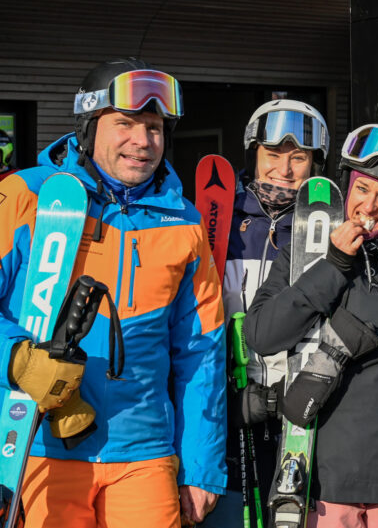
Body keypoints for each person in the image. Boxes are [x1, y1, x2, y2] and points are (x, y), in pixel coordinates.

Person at [0, 58, 226, 526]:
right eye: (125, 123)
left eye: (154, 127)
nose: (142, 142)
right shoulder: (26, 196)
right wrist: (15, 357)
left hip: (145, 453)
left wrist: (201, 465)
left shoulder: (184, 222)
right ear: (87, 127)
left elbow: (201, 351)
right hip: (39, 446)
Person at [244, 122, 378, 528]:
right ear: (346, 187)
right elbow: (262, 334)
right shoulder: (304, 253)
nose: (368, 207)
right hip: (322, 481)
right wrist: (335, 265)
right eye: (362, 189)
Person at [205, 99, 329, 526]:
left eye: (299, 158)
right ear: (253, 154)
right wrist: (224, 396)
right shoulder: (220, 222)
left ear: (316, 163)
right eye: (273, 154)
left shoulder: (327, 228)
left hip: (300, 409)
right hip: (230, 402)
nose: (285, 169)